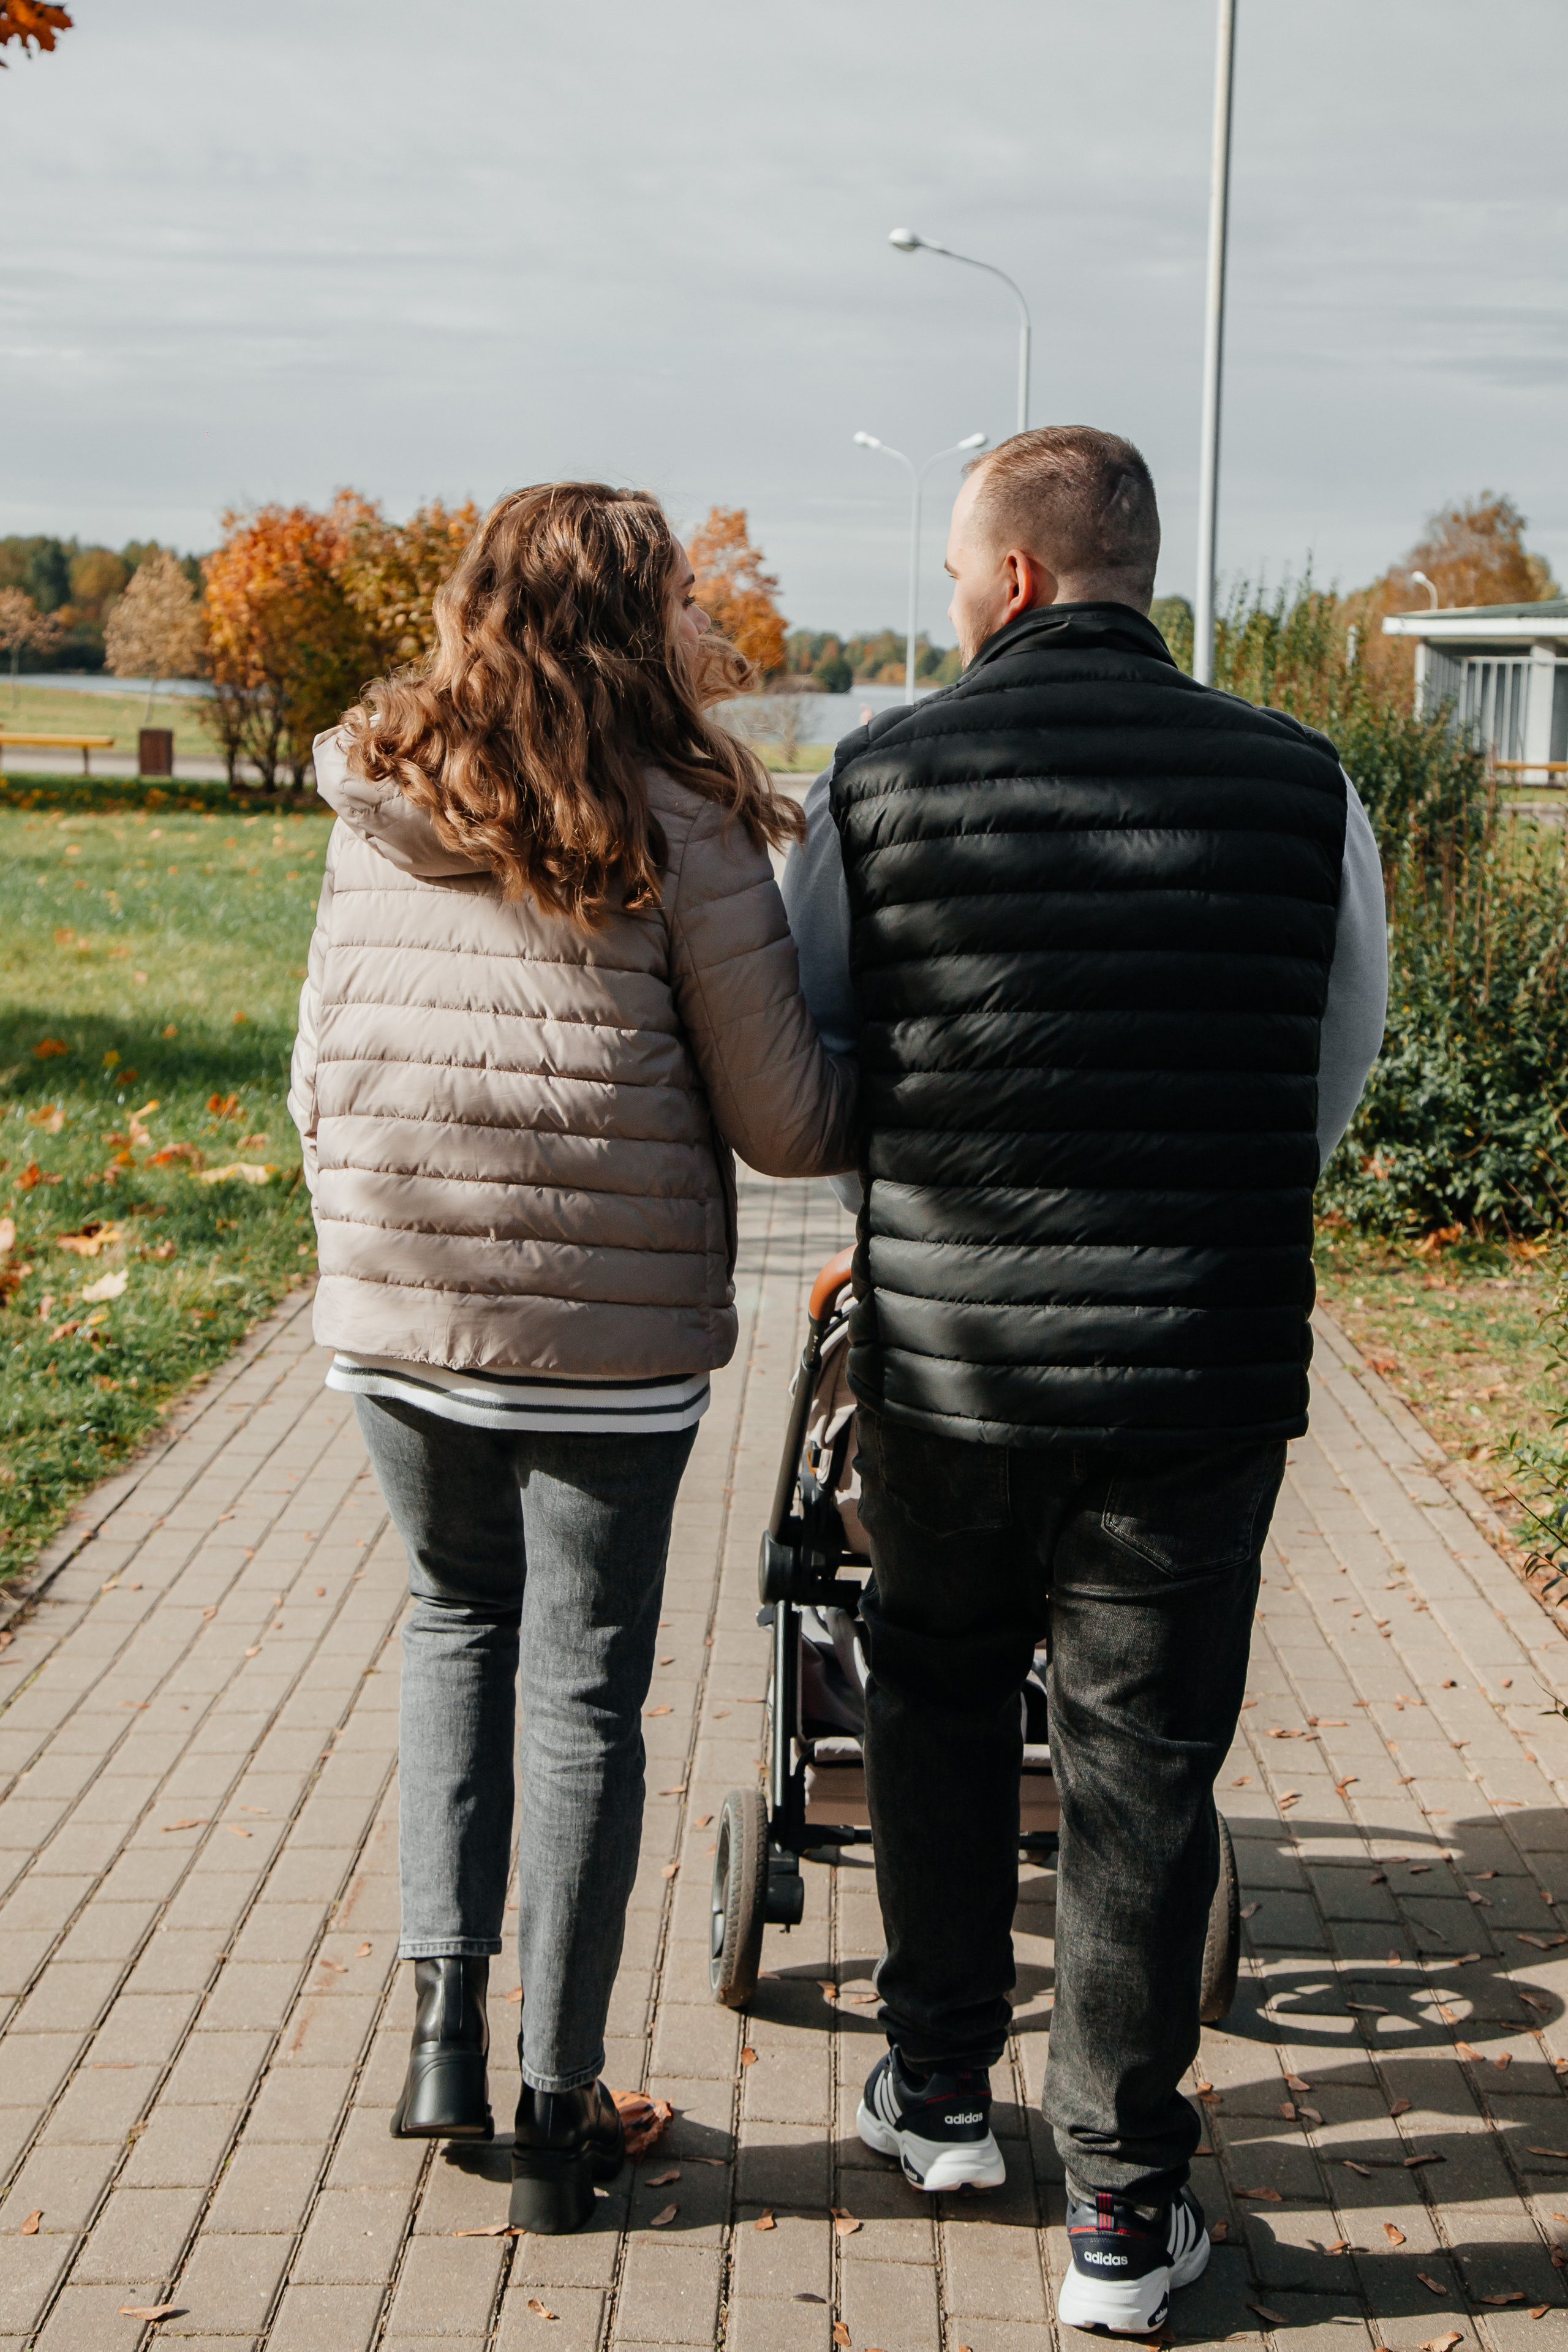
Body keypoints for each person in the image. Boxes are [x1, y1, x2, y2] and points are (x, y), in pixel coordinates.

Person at [781, 426, 1386, 2334]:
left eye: (962, 569)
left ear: (1019, 578)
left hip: (951, 1362)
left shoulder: (879, 775)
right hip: (1199, 1361)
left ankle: (939, 2092)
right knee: (1142, 1764)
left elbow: (819, 1043)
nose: (957, 597)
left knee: (939, 1698)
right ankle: (1124, 2214)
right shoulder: (1303, 780)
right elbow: (1335, 1059)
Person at [288, 482, 856, 2235]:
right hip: (604, 1345)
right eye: (679, 595)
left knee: (455, 1622)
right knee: (585, 1689)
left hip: (400, 1314)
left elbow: (316, 1061)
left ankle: (441, 2036)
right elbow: (784, 1122)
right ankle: (556, 2111)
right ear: (631, 624)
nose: (701, 620)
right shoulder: (684, 814)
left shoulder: (381, 788)